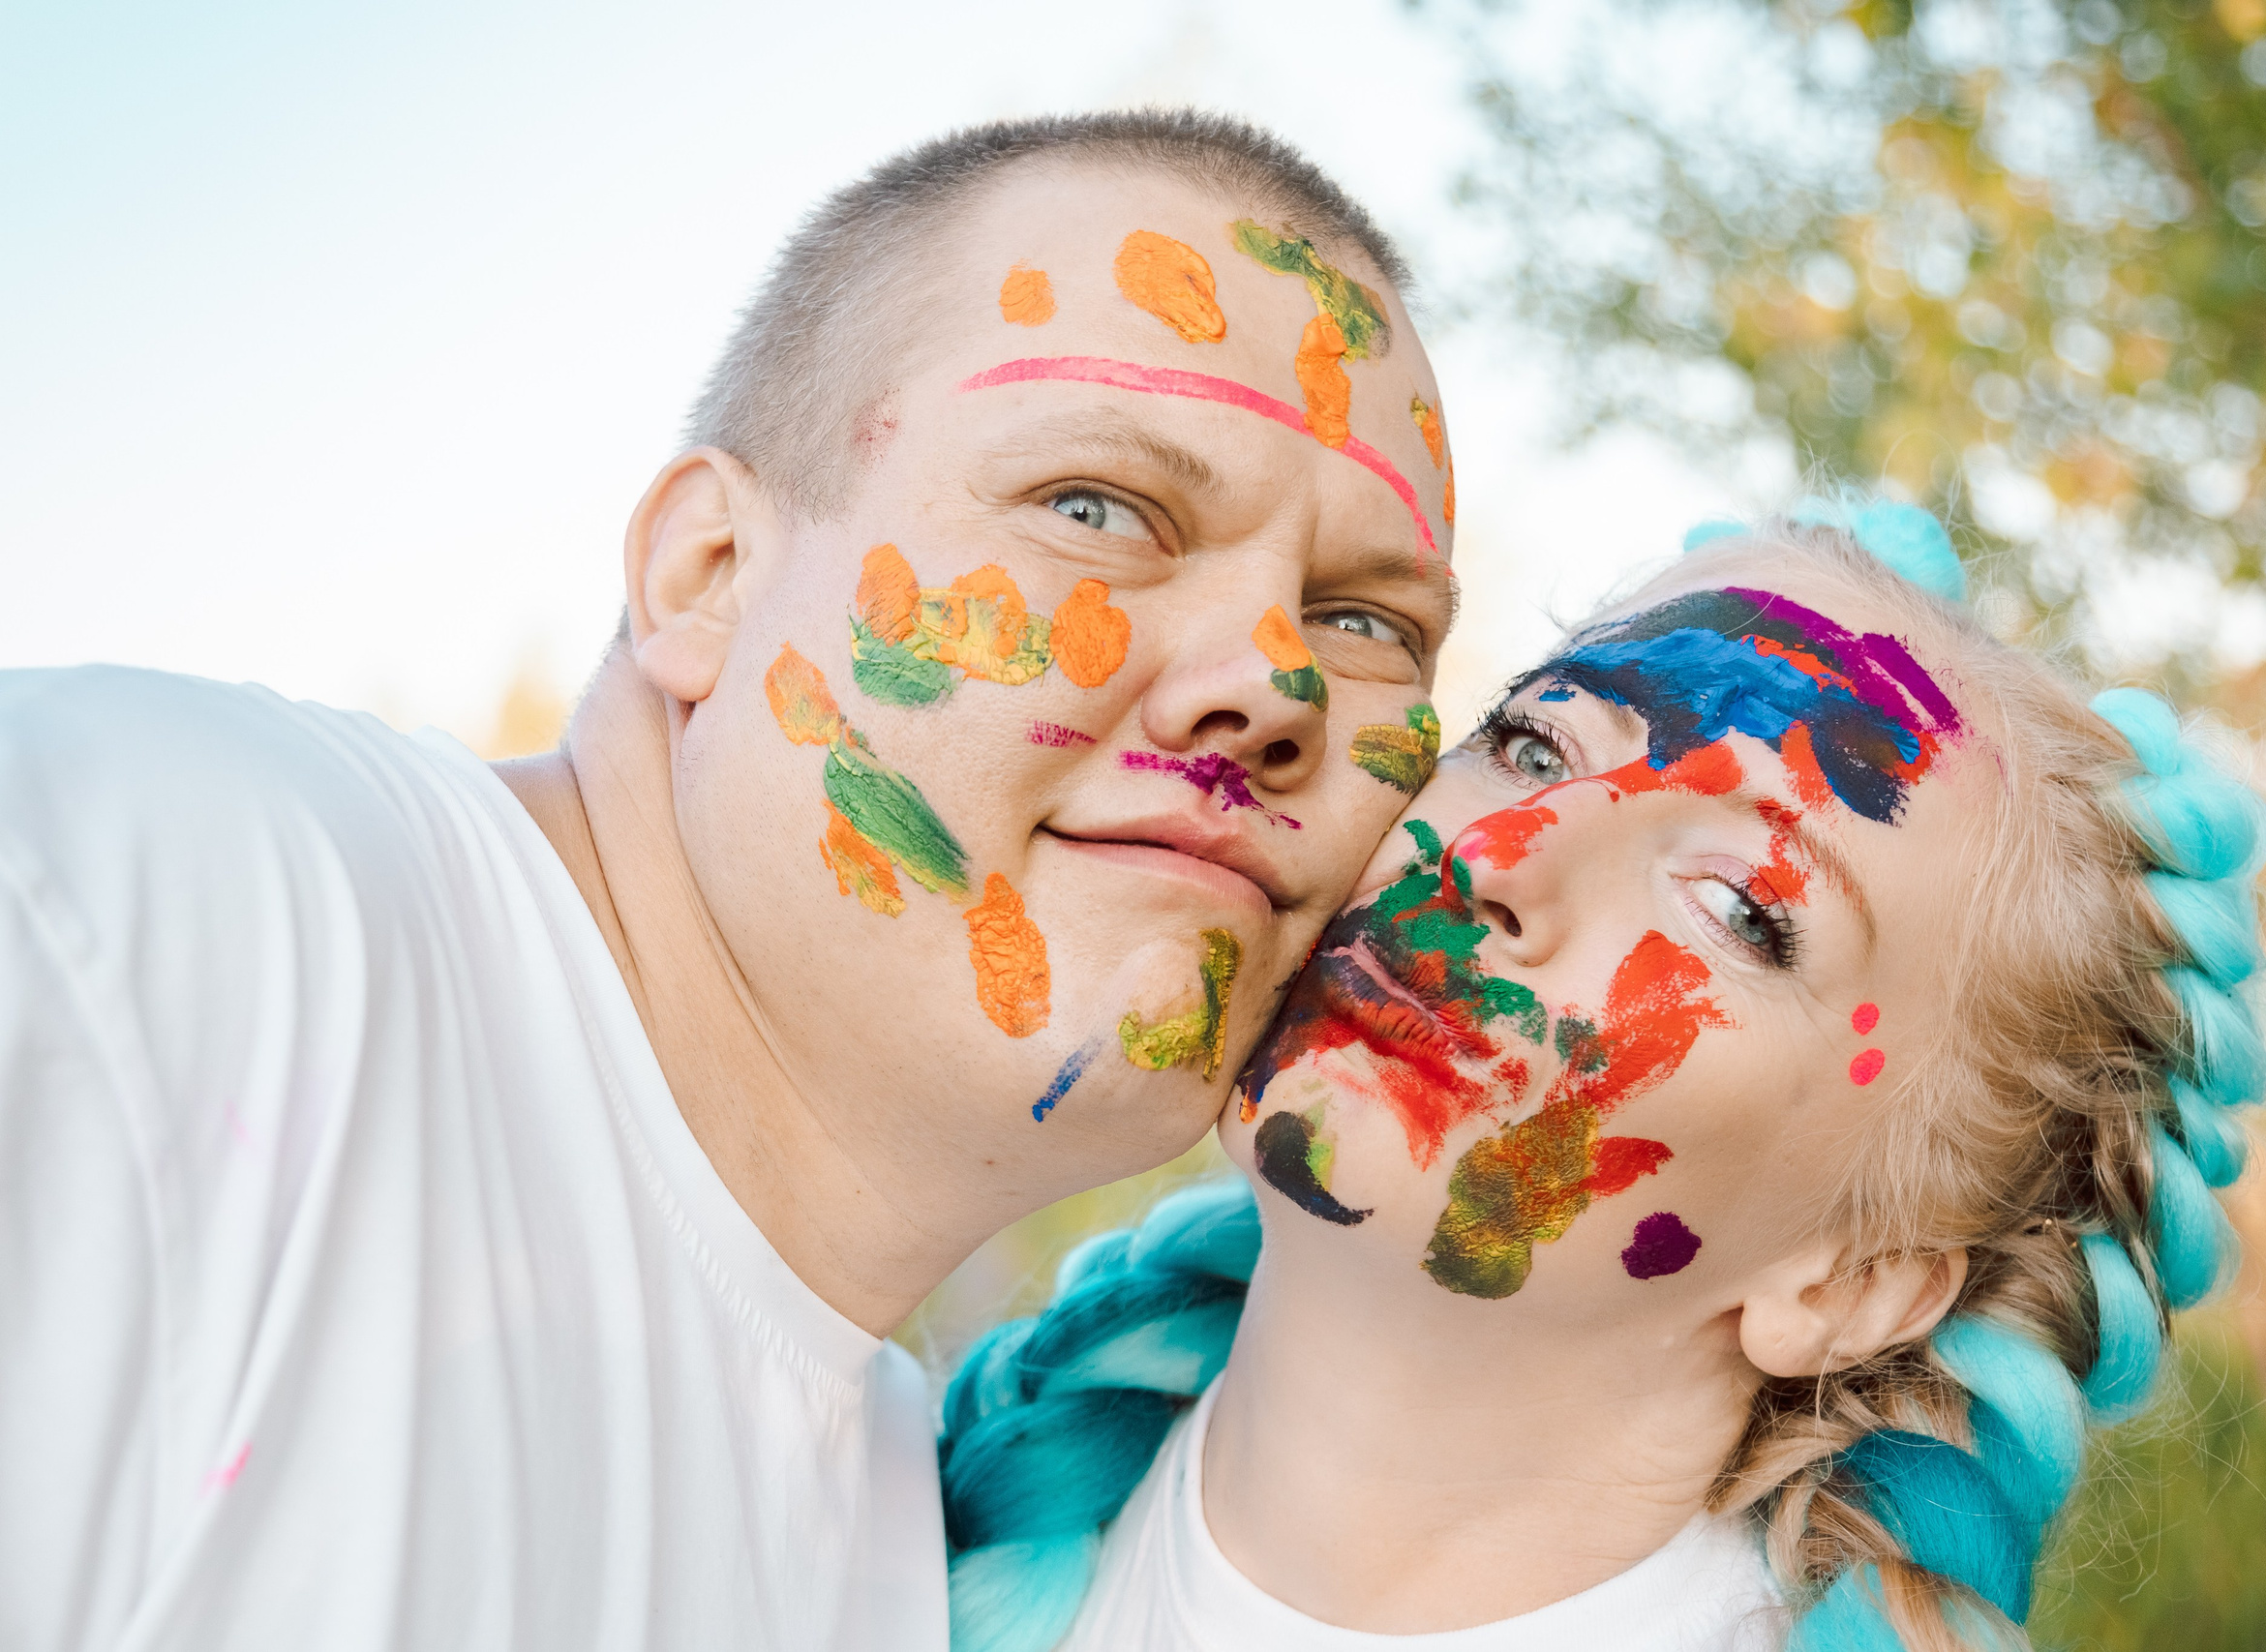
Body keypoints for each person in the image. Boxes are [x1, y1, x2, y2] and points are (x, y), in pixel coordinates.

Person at [0, 110, 1460, 1651]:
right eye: (1096, 509)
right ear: (706, 576)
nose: (1280, 682)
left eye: (1369, 622)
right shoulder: (135, 911)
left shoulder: (913, 1544)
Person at [938, 501, 2266, 1650]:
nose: (1500, 858)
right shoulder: (878, 1498)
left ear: (1853, 1282)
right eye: (1534, 748)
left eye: (1742, 909)